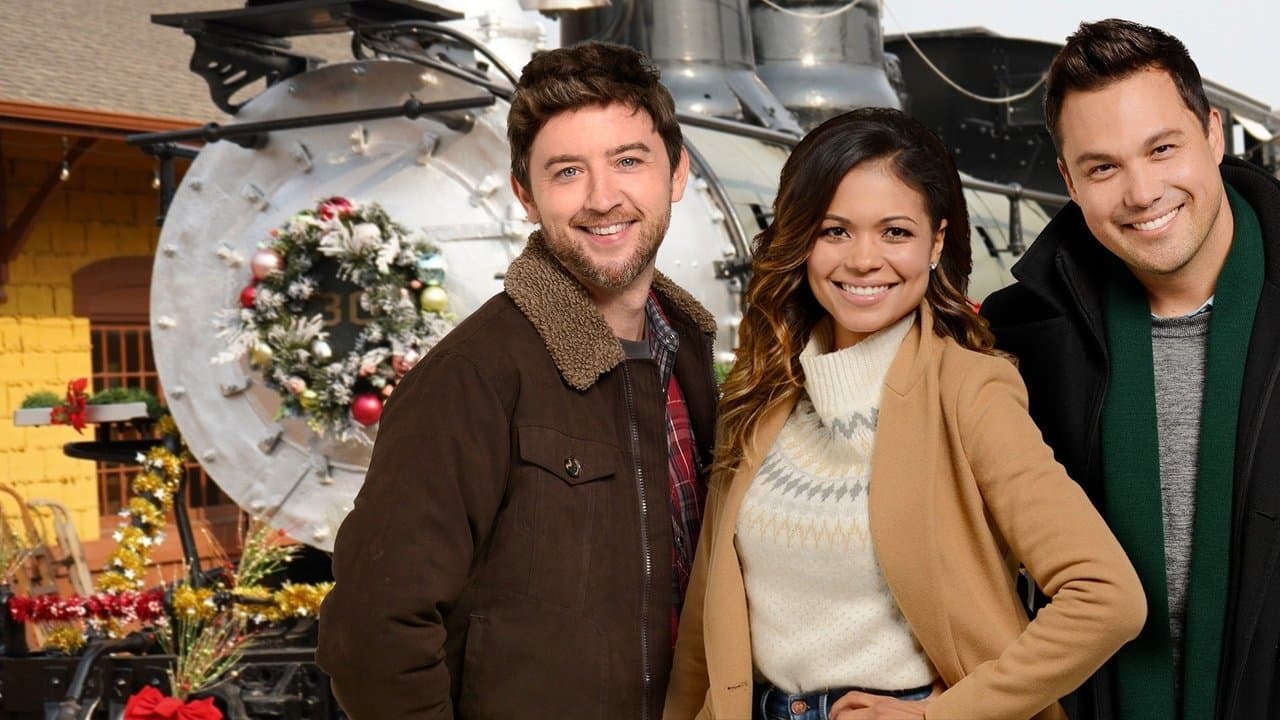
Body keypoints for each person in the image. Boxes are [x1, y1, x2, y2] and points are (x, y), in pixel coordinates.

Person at [663, 107, 1145, 720]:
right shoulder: (761, 394)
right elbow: (705, 624)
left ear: (936, 242)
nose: (864, 260)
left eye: (894, 232)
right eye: (835, 231)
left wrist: (940, 716)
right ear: (801, 238)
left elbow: (1107, 596)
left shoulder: (969, 391)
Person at [317, 42, 719, 719]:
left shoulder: (686, 351)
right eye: (568, 172)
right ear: (525, 196)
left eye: (629, 160)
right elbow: (371, 634)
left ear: (675, 173)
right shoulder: (472, 377)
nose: (603, 198)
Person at [981, 18, 1280, 720]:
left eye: (1162, 148)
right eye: (1103, 168)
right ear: (1068, 180)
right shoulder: (1019, 338)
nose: (1142, 192)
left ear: (1212, 134)